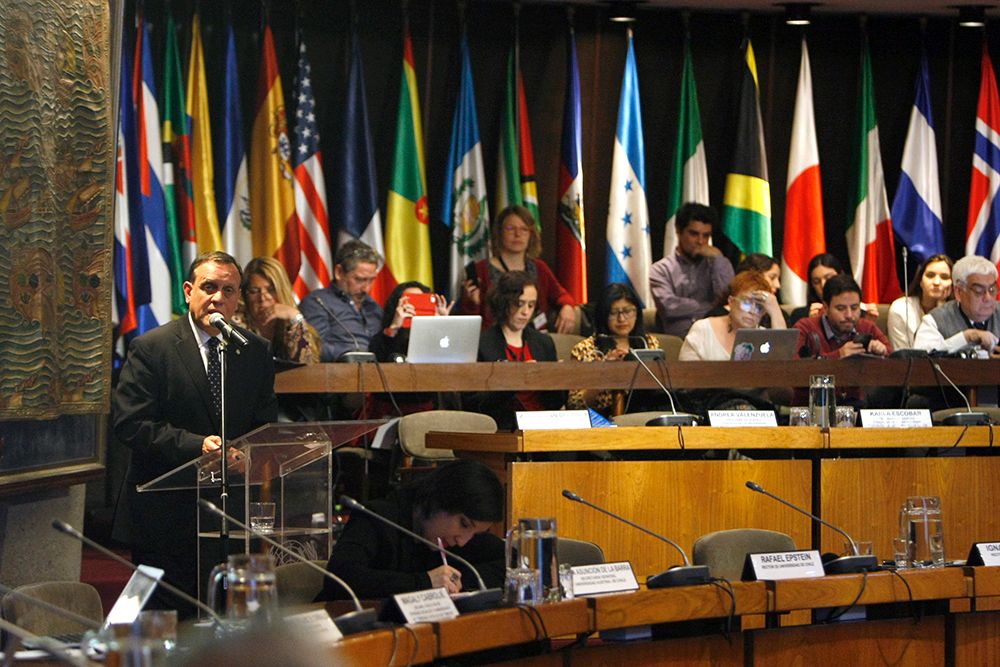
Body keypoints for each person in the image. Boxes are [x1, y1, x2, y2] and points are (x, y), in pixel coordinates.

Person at [113, 251, 278, 615]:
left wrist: (246, 454)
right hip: (166, 514)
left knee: (229, 619)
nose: (218, 297)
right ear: (189, 291)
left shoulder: (254, 351)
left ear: (237, 298)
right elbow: (131, 423)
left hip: (230, 513)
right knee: (173, 621)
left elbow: (265, 426)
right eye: (209, 287)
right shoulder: (152, 348)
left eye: (228, 290)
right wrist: (197, 446)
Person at [317, 460, 505, 601]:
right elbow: (339, 579)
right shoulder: (377, 517)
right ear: (439, 498)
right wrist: (424, 582)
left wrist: (455, 581)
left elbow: (509, 564)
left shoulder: (458, 539)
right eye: (463, 524)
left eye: (475, 534)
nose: (462, 541)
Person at [458, 205, 576, 332]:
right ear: (499, 232)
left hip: (535, 336)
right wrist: (472, 303)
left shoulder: (539, 268)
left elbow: (561, 295)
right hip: (493, 338)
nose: (518, 234)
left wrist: (567, 306)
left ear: (531, 235)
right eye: (510, 228)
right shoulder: (480, 270)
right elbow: (467, 324)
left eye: (524, 229)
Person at [470, 271, 563, 430]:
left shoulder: (544, 342)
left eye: (531, 305)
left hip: (544, 425)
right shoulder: (481, 344)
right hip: (503, 427)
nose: (526, 312)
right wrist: (514, 381)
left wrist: (557, 379)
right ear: (503, 303)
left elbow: (555, 402)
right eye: (519, 304)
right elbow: (474, 403)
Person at [565, 283, 661, 418]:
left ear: (637, 313)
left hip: (644, 414)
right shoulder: (585, 349)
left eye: (627, 311)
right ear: (603, 315)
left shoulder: (649, 343)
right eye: (613, 313)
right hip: (601, 418)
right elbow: (575, 405)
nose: (621, 319)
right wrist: (604, 373)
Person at [650, 202, 735, 337]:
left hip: (717, 337)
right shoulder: (660, 270)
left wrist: (718, 259)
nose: (700, 241)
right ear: (679, 231)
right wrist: (713, 307)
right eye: (694, 234)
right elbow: (669, 307)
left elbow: (730, 299)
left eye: (706, 235)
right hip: (679, 340)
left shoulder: (717, 264)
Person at [300, 240, 383, 361]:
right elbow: (315, 347)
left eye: (371, 280)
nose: (367, 288)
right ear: (339, 272)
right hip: (336, 370)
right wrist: (350, 355)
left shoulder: (374, 307)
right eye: (360, 280)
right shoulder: (317, 303)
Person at [679, 270, 786, 361]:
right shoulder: (703, 329)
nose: (752, 311)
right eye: (747, 303)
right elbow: (687, 374)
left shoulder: (765, 337)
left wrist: (775, 311)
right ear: (731, 302)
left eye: (759, 307)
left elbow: (783, 368)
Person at [239, 256, 321, 364]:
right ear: (245, 295)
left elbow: (307, 368)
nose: (263, 298)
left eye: (271, 290)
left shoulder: (294, 324)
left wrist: (295, 318)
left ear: (282, 291)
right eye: (254, 291)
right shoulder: (236, 326)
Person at [913, 255, 999, 355]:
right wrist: (966, 337)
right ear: (958, 292)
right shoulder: (935, 320)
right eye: (978, 290)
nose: (988, 298)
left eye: (992, 290)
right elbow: (920, 357)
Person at [794, 274, 892, 360]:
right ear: (826, 308)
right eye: (841, 308)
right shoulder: (805, 328)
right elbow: (792, 366)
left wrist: (883, 351)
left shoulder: (867, 327)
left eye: (854, 308)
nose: (849, 315)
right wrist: (838, 355)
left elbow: (894, 357)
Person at [369, 281, 452, 362]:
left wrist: (442, 326)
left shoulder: (432, 335)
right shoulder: (383, 338)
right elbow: (378, 358)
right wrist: (394, 327)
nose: (414, 307)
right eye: (411, 301)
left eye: (421, 301)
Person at [886, 254, 953, 350]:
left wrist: (941, 309)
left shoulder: (959, 311)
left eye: (944, 277)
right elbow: (904, 354)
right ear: (920, 281)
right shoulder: (901, 308)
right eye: (930, 275)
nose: (937, 282)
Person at [786, 253, 844, 325]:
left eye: (828, 278)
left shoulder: (853, 310)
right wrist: (812, 324)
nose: (823, 285)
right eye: (816, 282)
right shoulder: (800, 315)